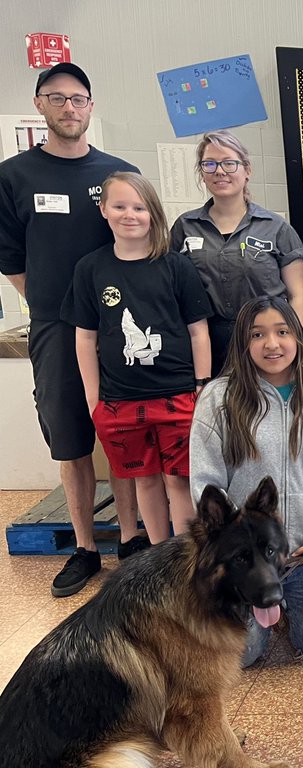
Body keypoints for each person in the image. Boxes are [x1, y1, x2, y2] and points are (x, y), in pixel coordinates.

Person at [0, 62, 145, 596]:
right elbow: (11, 257)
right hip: (57, 331)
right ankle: (85, 549)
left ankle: (131, 539)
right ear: (40, 104)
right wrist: (52, 306)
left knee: (124, 430)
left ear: (91, 106)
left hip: (118, 331)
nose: (68, 107)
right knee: (71, 439)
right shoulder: (14, 176)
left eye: (78, 99)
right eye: (56, 98)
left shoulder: (117, 174)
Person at [189, 298, 303, 667]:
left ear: (297, 338)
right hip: (246, 562)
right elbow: (206, 486)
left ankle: (290, 607)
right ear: (242, 342)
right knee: (244, 659)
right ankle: (264, 612)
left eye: (282, 332)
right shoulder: (218, 399)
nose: (272, 344)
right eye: (258, 334)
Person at [64, 172, 212, 544]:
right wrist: (94, 398)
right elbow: (85, 339)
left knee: (179, 479)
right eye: (120, 206)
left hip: (179, 394)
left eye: (139, 207)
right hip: (121, 400)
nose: (130, 214)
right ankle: (160, 555)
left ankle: (185, 558)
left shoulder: (176, 266)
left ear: (153, 213)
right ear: (104, 210)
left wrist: (202, 386)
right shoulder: (90, 269)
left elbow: (199, 332)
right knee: (145, 479)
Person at [170, 130, 303, 374]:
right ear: (202, 173)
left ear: (247, 170)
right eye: (210, 164)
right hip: (207, 347)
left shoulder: (276, 228)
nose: (219, 171)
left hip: (267, 344)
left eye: (229, 163)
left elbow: (297, 296)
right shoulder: (185, 227)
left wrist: (298, 352)